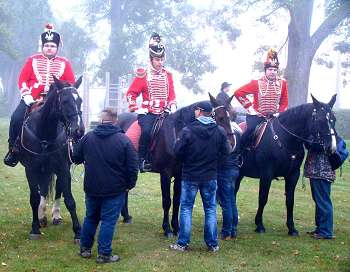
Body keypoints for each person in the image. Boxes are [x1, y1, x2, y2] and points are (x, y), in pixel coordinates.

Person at [4, 24, 75, 167]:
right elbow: (22, 79)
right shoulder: (32, 60)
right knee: (16, 117)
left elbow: (71, 82)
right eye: (47, 45)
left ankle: (72, 149)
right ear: (42, 46)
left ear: (57, 48)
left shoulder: (64, 63)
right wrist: (26, 95)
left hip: (56, 100)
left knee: (72, 117)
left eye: (52, 46)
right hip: (32, 98)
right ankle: (14, 149)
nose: (49, 48)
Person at [73, 108, 138, 263]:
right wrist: (130, 184)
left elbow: (75, 157)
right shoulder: (124, 140)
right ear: (115, 120)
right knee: (108, 221)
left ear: (101, 120)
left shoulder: (88, 137)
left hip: (92, 187)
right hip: (115, 189)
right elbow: (132, 166)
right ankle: (104, 254)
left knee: (91, 217)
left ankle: (85, 249)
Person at [170, 101, 231, 252]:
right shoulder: (219, 131)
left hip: (190, 176)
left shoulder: (187, 130)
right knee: (210, 209)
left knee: (186, 209)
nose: (195, 112)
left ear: (199, 111)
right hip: (210, 176)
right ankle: (212, 244)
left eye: (196, 110)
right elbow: (227, 151)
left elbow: (176, 152)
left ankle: (182, 243)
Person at [126, 32, 176, 172]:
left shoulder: (168, 75)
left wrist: (172, 105)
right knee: (147, 131)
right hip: (148, 113)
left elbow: (172, 94)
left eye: (162, 60)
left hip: (165, 112)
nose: (160, 63)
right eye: (157, 60)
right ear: (151, 59)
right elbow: (131, 93)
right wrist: (136, 108)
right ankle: (142, 160)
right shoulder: (143, 75)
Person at [234, 48, 288, 148]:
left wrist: (279, 112)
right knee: (249, 132)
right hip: (257, 117)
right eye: (270, 70)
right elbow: (238, 93)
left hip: (274, 116)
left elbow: (284, 102)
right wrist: (251, 109)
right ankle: (241, 154)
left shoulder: (283, 83)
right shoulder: (256, 83)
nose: (272, 72)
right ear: (266, 70)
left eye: (275, 70)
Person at [304, 142, 336, 239]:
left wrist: (307, 140)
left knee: (323, 202)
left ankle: (326, 231)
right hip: (317, 172)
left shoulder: (324, 134)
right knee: (319, 201)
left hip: (321, 172)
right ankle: (320, 228)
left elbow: (315, 146)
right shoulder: (324, 133)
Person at [217, 120, 242, 240]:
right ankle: (234, 229)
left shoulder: (224, 133)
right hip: (235, 168)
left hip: (224, 169)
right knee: (232, 200)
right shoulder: (238, 131)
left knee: (226, 202)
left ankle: (227, 231)